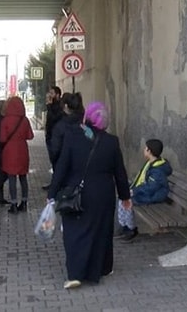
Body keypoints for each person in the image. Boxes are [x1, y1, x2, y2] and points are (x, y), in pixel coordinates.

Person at [47, 101, 131, 289]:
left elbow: (61, 168)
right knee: (102, 231)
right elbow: (120, 172)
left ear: (87, 118)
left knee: (75, 233)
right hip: (103, 195)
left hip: (76, 194)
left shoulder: (72, 137)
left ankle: (76, 274)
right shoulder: (111, 141)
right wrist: (125, 197)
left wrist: (52, 193)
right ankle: (102, 268)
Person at [115, 139, 173, 242]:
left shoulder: (157, 170)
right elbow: (141, 180)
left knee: (127, 202)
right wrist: (131, 188)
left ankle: (131, 229)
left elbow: (151, 188)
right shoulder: (151, 163)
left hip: (154, 196)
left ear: (149, 151)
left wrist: (134, 191)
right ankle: (124, 226)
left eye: (145, 148)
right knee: (122, 198)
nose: (144, 150)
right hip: (149, 193)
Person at [0, 96, 34, 213]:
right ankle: (24, 203)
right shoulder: (25, 120)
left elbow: (3, 138)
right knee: (23, 178)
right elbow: (30, 136)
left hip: (10, 151)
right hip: (22, 150)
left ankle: (13, 204)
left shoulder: (5, 120)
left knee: (12, 178)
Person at [49, 92, 84, 166]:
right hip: (82, 167)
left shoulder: (60, 127)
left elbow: (55, 150)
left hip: (63, 166)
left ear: (65, 106)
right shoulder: (85, 126)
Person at [42, 85, 63, 189]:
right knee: (53, 161)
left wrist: (49, 106)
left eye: (52, 93)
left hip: (56, 138)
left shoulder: (60, 106)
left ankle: (57, 184)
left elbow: (54, 118)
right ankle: (55, 182)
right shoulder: (51, 106)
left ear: (58, 95)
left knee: (56, 161)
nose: (49, 95)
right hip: (50, 136)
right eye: (49, 93)